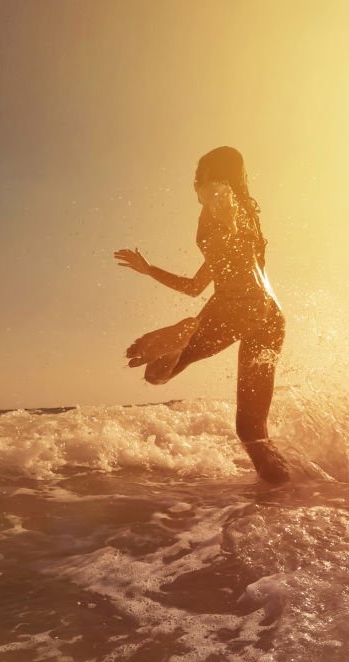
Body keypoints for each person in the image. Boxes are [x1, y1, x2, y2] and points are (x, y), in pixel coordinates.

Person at [114, 146, 290, 483]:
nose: (195, 183)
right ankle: (282, 494)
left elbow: (228, 227)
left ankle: (183, 334)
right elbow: (196, 286)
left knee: (156, 374)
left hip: (237, 304)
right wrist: (149, 270)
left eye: (198, 174)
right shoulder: (248, 213)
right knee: (252, 430)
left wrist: (222, 213)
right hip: (268, 314)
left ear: (209, 175)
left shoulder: (218, 197)